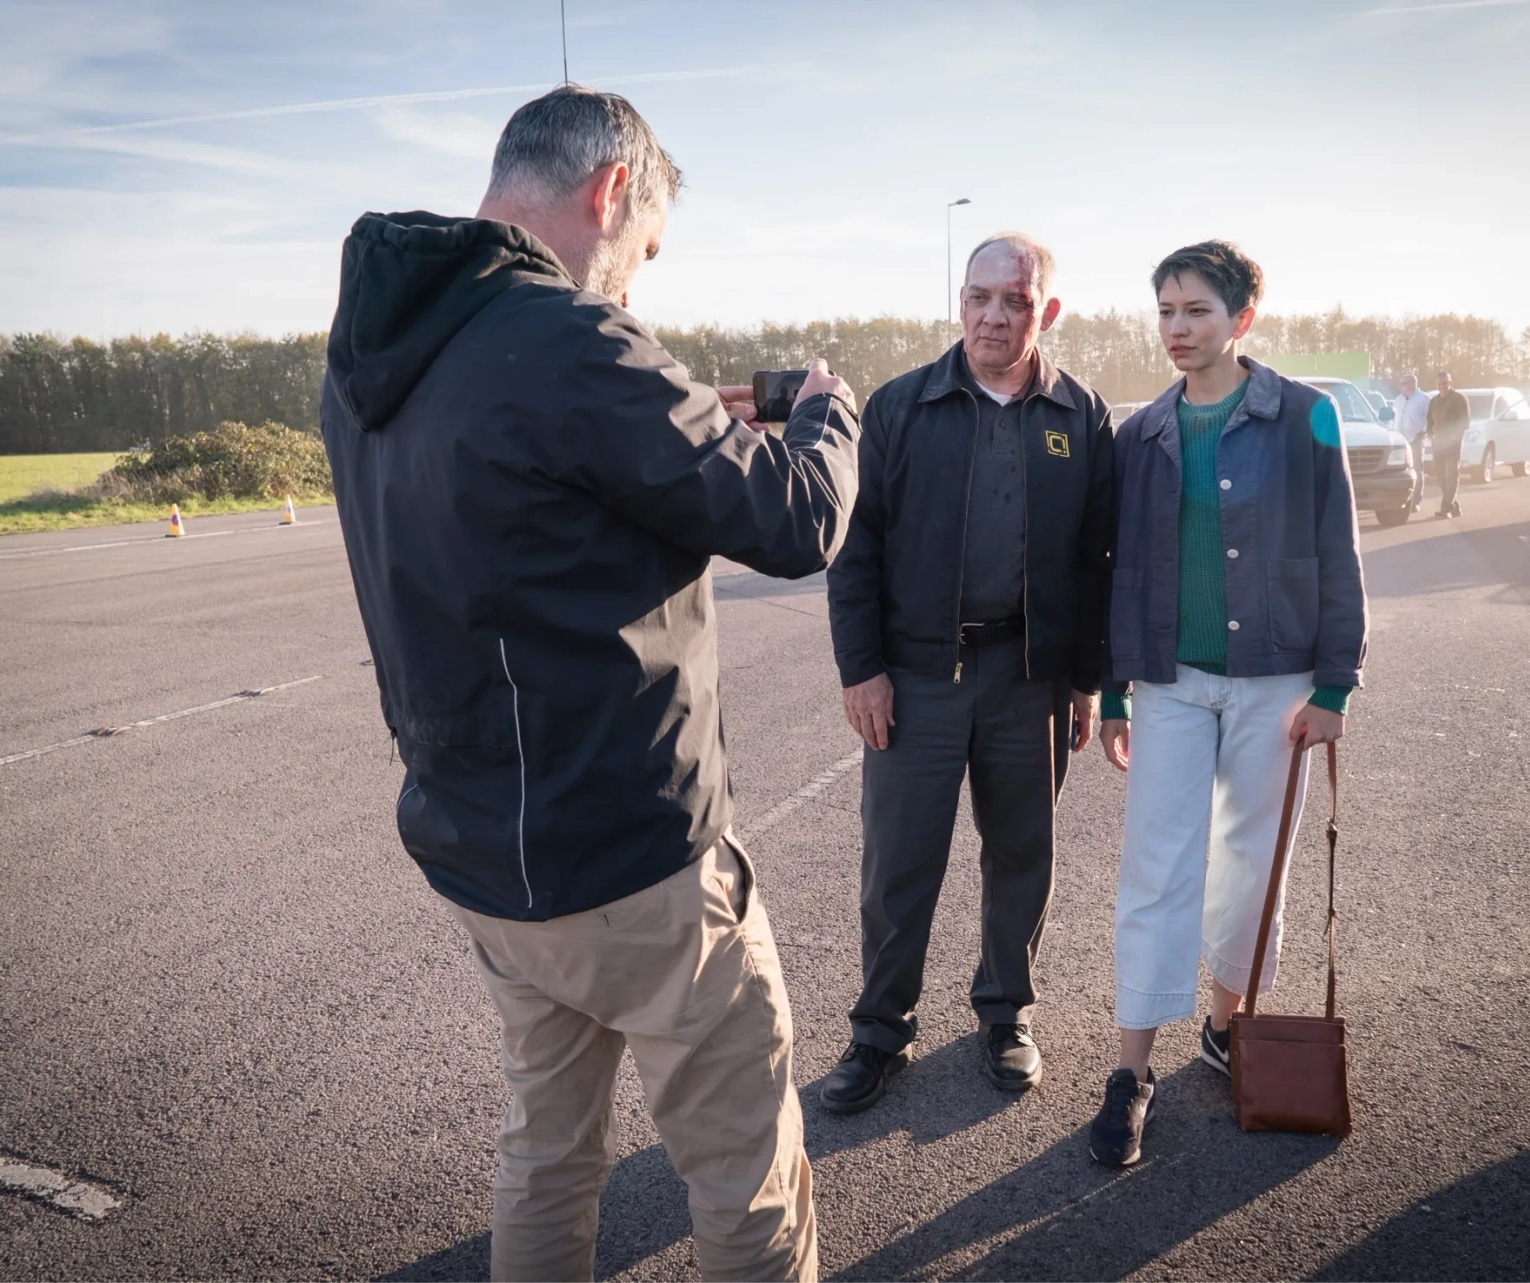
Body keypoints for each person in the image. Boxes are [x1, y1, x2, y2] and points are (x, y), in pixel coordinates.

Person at [320, 86, 861, 1283]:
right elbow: (796, 517)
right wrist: (829, 414)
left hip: (485, 854)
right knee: (743, 1172)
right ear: (611, 190)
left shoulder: (373, 355)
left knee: (550, 1148)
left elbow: (518, 510)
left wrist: (660, 427)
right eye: (646, 250)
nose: (634, 283)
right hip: (630, 856)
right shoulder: (571, 340)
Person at [1089, 240, 1366, 1168]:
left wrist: (1334, 683)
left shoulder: (1305, 416)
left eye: (1196, 310)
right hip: (1169, 682)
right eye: (1165, 310)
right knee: (1155, 868)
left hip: (1278, 679)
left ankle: (1224, 1023)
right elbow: (1120, 569)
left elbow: (1339, 551)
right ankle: (1131, 1070)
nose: (1176, 328)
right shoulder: (1142, 435)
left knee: (1255, 862)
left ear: (1243, 316)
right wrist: (1114, 690)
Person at [822, 233, 1114, 1112]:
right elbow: (852, 549)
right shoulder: (902, 407)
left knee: (1022, 852)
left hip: (1031, 678)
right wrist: (862, 669)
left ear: (1045, 312)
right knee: (899, 863)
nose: (994, 315)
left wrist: (1086, 679)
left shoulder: (1081, 416)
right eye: (980, 296)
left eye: (1015, 301)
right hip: (915, 680)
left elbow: (1099, 558)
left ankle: (1006, 1012)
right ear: (960, 300)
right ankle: (879, 1030)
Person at [1426, 369, 1471, 518]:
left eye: (1445, 383)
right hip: (1438, 444)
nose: (1442, 386)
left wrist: (1454, 436)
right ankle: (1454, 505)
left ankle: (1446, 507)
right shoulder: (1434, 401)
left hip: (1453, 443)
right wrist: (1430, 435)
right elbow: (1430, 421)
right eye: (1439, 384)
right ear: (1436, 384)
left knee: (1451, 475)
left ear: (1450, 382)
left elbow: (1464, 421)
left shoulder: (1459, 399)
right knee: (1440, 476)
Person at [1391, 370, 1429, 510]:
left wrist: (1423, 431)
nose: (1402, 385)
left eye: (1405, 383)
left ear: (1413, 383)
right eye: (1401, 383)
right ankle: (1400, 502)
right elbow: (1394, 419)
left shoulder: (1424, 398)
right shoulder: (1398, 400)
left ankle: (1415, 502)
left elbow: (1429, 417)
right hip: (1400, 441)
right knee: (1399, 471)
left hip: (1416, 439)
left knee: (1417, 470)